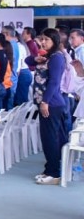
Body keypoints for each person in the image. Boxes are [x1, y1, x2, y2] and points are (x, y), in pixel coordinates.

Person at [27, 28, 70, 185]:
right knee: (48, 138)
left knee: (50, 139)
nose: (43, 42)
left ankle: (54, 173)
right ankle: (49, 168)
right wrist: (38, 57)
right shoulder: (47, 56)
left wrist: (45, 102)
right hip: (44, 103)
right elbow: (28, 61)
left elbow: (54, 82)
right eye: (42, 39)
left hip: (51, 104)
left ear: (55, 41)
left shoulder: (57, 57)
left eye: (47, 39)